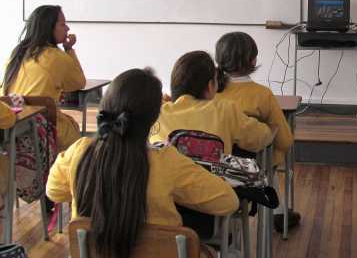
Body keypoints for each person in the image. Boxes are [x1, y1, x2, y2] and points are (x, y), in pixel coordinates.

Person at [47, 68, 239, 258]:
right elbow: (228, 201)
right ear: (154, 118)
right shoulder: (167, 161)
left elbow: (53, 191)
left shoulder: (79, 151)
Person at [214, 31, 297, 233]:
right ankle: (278, 214)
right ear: (253, 60)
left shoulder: (209, 91)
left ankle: (229, 233)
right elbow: (285, 141)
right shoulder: (262, 95)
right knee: (267, 157)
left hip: (212, 165)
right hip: (248, 170)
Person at [149, 50, 273, 155]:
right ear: (210, 86)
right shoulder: (224, 110)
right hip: (212, 177)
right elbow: (259, 138)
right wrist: (270, 129)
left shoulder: (156, 113)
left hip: (167, 177)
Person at [2, 5, 85, 151]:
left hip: (11, 126)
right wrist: (69, 49)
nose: (67, 28)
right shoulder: (55, 56)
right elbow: (79, 82)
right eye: (62, 24)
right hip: (40, 126)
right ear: (49, 27)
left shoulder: (16, 54)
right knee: (75, 134)